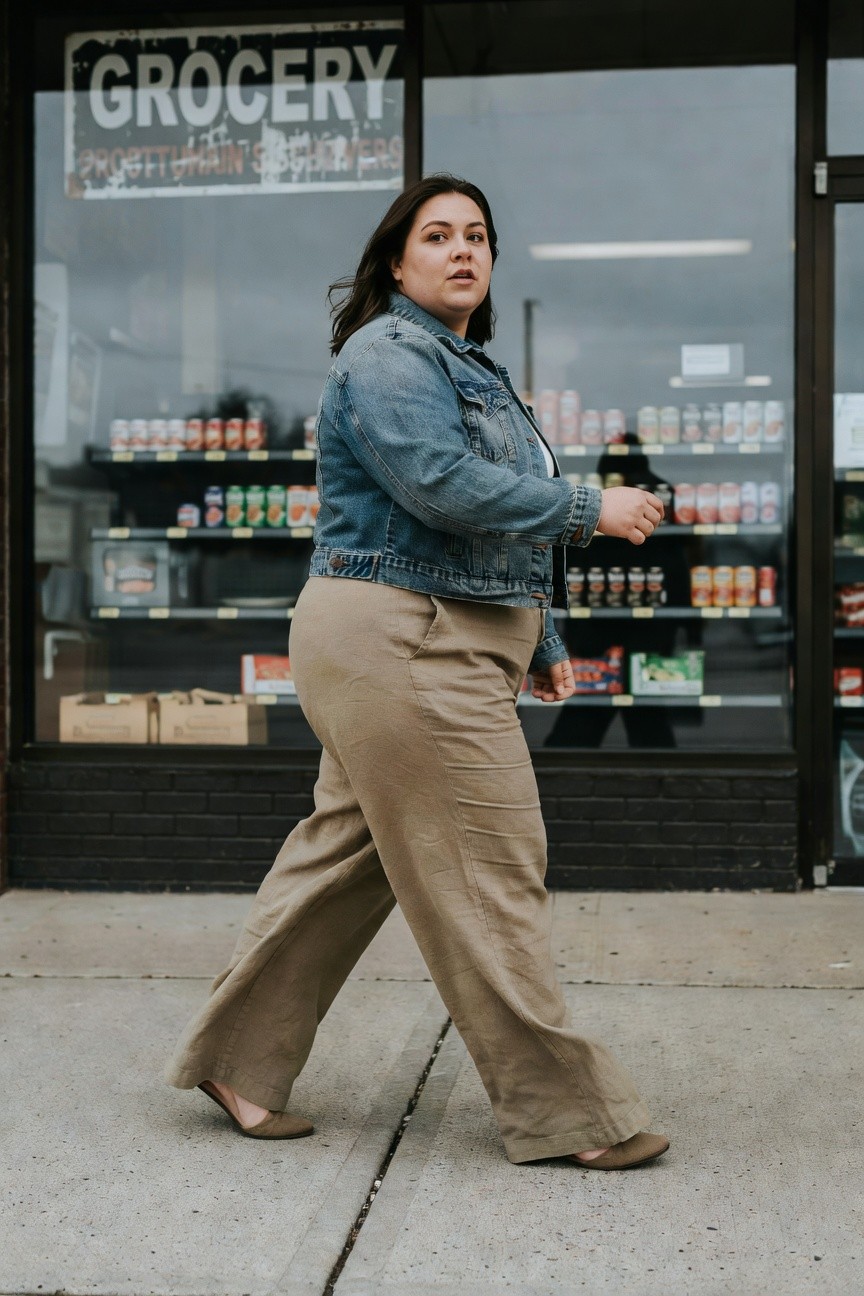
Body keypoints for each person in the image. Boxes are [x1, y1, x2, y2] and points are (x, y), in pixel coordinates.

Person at [165, 174, 669, 1171]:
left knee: (347, 862)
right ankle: (568, 1113)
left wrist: (544, 646)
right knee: (489, 864)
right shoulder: (387, 353)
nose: (461, 249)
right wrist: (589, 510)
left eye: (476, 234)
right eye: (436, 235)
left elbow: (490, 525)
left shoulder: (466, 364)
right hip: (402, 637)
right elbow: (436, 484)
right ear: (397, 262)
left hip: (437, 633)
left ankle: (239, 1060)